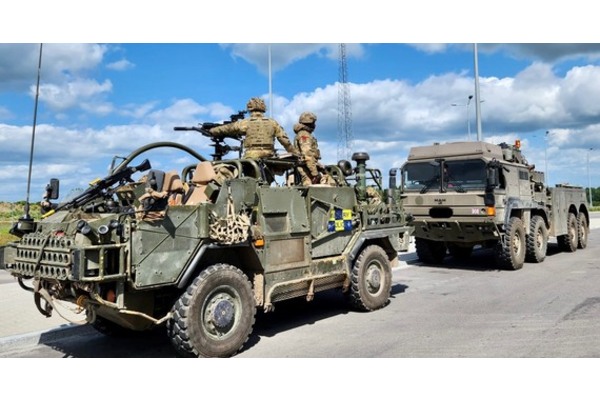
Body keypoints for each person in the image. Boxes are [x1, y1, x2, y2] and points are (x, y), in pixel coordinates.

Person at [209, 97, 296, 159]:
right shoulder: (273, 123)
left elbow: (228, 128)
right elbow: (285, 140)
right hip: (269, 157)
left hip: (251, 157)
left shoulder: (245, 122)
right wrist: (294, 153)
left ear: (249, 108)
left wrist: (212, 131)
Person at [293, 112, 335, 186]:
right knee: (310, 188)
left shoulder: (305, 134)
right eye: (313, 123)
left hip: (309, 166)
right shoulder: (304, 134)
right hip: (305, 168)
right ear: (310, 124)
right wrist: (315, 173)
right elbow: (307, 154)